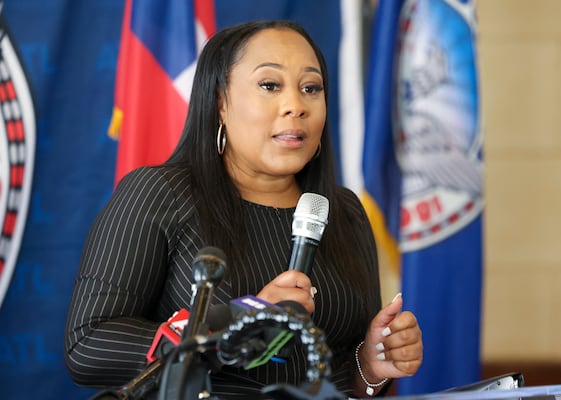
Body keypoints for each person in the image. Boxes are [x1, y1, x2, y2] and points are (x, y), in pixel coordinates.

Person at [64, 20, 423, 399]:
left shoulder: (343, 210)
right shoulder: (158, 193)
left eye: (311, 88)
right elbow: (88, 346)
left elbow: (338, 377)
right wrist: (242, 319)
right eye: (270, 85)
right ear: (220, 101)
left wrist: (370, 364)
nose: (295, 106)